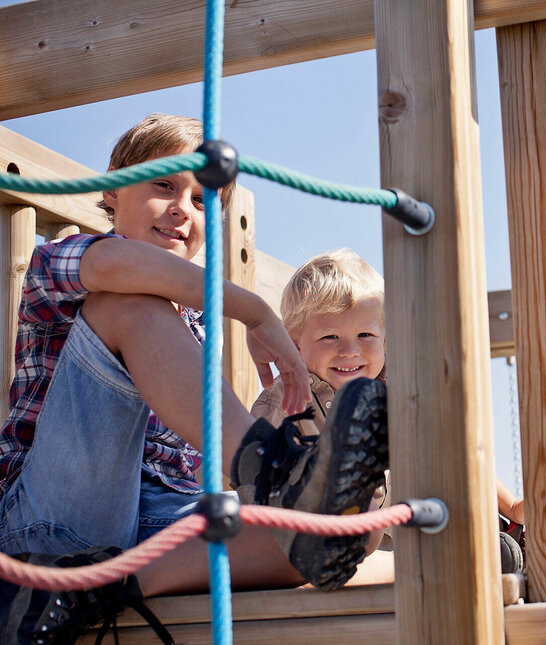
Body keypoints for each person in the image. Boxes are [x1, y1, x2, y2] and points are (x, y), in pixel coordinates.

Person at [0, 114, 389, 643]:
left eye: (205, 201)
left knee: (326, 531)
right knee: (132, 302)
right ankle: (268, 466)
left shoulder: (197, 327)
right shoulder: (65, 265)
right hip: (53, 519)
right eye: (165, 184)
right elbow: (117, 265)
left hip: (155, 533)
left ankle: (93, 592)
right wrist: (254, 310)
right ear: (113, 187)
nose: (184, 208)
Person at [250, 249, 526, 582]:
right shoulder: (288, 401)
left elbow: (456, 452)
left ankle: (500, 529)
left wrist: (510, 505)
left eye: (365, 335)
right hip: (331, 550)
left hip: (398, 540)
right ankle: (471, 554)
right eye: (329, 336)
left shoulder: (395, 394)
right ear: (293, 345)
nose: (350, 349)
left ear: (385, 340)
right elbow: (260, 485)